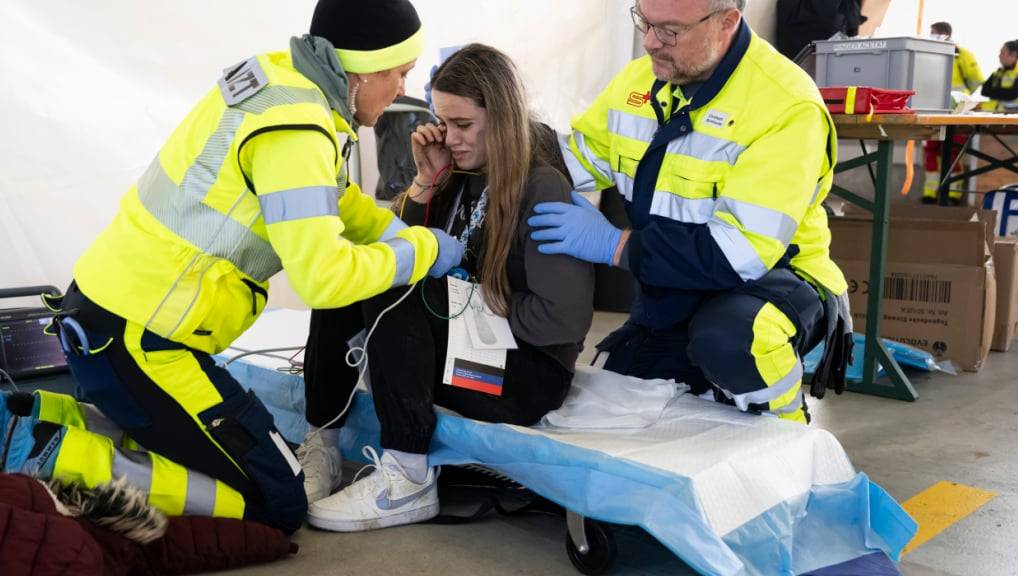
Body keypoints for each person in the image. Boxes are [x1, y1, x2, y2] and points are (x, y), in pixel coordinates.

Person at [0, 0, 464, 535]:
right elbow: (324, 277)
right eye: (400, 73)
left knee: (234, 452)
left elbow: (334, 200)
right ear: (363, 67)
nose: (402, 89)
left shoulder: (284, 82)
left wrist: (401, 233)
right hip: (143, 342)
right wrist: (424, 252)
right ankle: (55, 460)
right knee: (277, 502)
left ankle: (33, 422)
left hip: (108, 315)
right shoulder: (297, 129)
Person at [298, 44, 595, 531]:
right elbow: (408, 242)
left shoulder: (541, 186)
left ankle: (408, 476)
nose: (450, 137)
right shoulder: (460, 172)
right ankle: (323, 443)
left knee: (398, 281)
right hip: (471, 352)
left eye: (463, 125)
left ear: (499, 117)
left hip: (525, 377)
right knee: (356, 274)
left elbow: (561, 320)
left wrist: (476, 304)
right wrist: (426, 182)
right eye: (443, 121)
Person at [528, 0, 852, 425]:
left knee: (730, 341)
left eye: (669, 31)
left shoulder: (785, 106)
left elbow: (738, 255)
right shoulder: (641, 81)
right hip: (678, 281)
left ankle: (787, 434)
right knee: (616, 402)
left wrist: (614, 245)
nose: (649, 42)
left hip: (775, 280)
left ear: (727, 23)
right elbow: (578, 158)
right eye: (645, 22)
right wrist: (495, 139)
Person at [922, 21, 986, 204]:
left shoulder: (963, 56)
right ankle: (930, 192)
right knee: (931, 151)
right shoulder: (928, 54)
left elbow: (977, 85)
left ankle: (953, 194)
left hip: (957, 113)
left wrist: (970, 105)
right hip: (933, 111)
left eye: (933, 33)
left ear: (944, 34)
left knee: (952, 152)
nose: (931, 36)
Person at [980, 38, 1018, 112]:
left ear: (1013, 55)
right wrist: (1003, 92)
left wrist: (993, 91)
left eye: (1002, 53)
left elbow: (1013, 94)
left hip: (1015, 117)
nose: (999, 56)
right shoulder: (997, 73)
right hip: (995, 114)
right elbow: (984, 91)